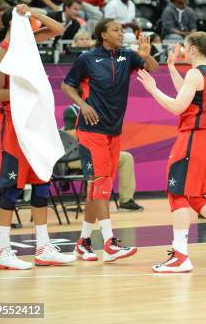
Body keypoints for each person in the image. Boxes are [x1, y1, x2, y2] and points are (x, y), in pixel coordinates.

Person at [137, 35, 206, 272]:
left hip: (193, 138)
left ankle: (180, 255)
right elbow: (189, 97)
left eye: (183, 47)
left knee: (176, 192)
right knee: (197, 197)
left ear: (191, 49)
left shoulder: (195, 74)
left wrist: (153, 89)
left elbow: (178, 106)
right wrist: (170, 68)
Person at [61, 19, 159, 263]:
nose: (121, 33)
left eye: (122, 30)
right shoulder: (87, 59)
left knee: (97, 187)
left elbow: (153, 69)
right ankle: (109, 242)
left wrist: (146, 55)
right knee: (102, 183)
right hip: (91, 129)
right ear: (103, 34)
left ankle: (83, 242)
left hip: (114, 130)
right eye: (116, 30)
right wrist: (82, 105)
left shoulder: (127, 56)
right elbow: (66, 85)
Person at [0, 5, 75, 269]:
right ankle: (1, 252)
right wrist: (27, 95)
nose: (32, 27)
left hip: (36, 124)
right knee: (12, 188)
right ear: (14, 24)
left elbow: (59, 29)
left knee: (41, 182)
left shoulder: (30, 42)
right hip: (13, 124)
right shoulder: (1, 53)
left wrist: (34, 13)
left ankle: (43, 247)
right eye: (25, 22)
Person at [62, 101, 144, 212]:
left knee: (126, 157)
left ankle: (126, 201)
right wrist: (91, 132)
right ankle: (95, 202)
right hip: (77, 156)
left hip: (99, 150)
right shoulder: (72, 110)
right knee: (95, 159)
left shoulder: (101, 105)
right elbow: (68, 134)